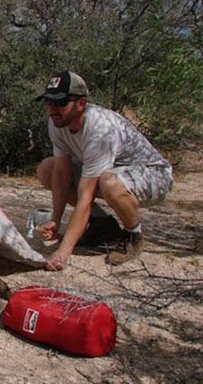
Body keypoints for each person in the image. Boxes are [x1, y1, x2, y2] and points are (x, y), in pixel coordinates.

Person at [34, 71, 173, 271]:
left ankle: (133, 236)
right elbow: (62, 174)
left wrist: (63, 252)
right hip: (115, 173)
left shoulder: (100, 128)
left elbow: (86, 197)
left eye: (60, 102)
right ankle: (102, 225)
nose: (53, 109)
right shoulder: (57, 123)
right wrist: (55, 220)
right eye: (49, 102)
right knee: (47, 169)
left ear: (81, 103)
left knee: (110, 182)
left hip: (155, 175)